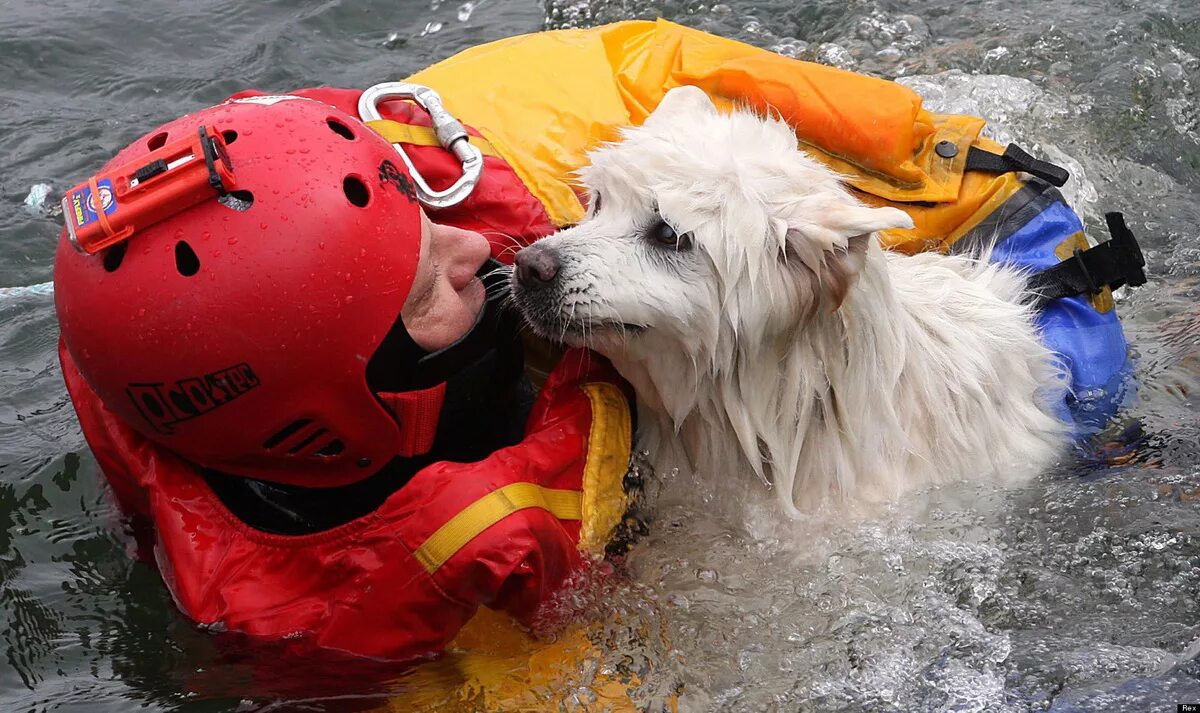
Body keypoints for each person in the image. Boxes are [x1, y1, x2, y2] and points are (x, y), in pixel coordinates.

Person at [55, 18, 1140, 679]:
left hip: (972, 304)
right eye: (425, 277)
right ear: (353, 379)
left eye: (428, 220)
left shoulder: (453, 189)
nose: (501, 249)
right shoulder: (288, 565)